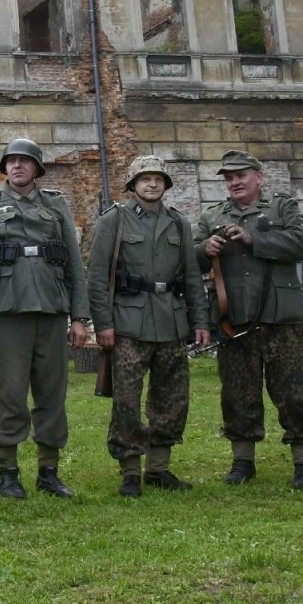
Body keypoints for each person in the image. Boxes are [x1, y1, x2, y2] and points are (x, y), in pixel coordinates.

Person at [0, 137, 89, 499]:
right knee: (8, 393)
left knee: (52, 393)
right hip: (8, 311)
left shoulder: (55, 204)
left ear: (36, 167)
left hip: (51, 310)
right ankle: (8, 472)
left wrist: (79, 316)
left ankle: (48, 471)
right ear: (4, 168)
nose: (17, 166)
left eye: (24, 161)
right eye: (11, 162)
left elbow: (74, 264)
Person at [196, 150, 303, 491]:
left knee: (296, 393)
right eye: (228, 177)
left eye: (241, 175)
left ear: (259, 177)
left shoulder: (282, 207)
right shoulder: (212, 216)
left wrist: (254, 239)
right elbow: (191, 260)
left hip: (279, 319)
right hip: (233, 321)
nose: (235, 182)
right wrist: (204, 248)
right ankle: (242, 461)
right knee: (238, 395)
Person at [88, 155, 208, 496]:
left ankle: (158, 468)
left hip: (171, 321)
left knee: (172, 397)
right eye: (145, 179)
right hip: (128, 322)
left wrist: (199, 321)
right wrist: (104, 324)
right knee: (127, 399)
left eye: (158, 179)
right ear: (133, 184)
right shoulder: (115, 221)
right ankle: (130, 471)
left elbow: (192, 277)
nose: (152, 184)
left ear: (166, 185)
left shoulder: (178, 223)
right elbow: (97, 277)